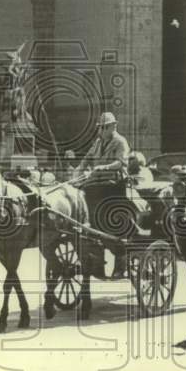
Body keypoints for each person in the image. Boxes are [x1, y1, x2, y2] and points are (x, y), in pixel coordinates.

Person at [77, 112, 132, 276]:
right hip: (96, 183)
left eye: (103, 127)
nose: (100, 130)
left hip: (114, 184)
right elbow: (87, 157)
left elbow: (121, 162)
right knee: (80, 193)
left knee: (102, 213)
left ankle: (120, 265)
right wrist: (80, 168)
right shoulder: (98, 142)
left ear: (112, 126)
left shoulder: (120, 142)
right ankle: (96, 262)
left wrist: (104, 167)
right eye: (100, 128)